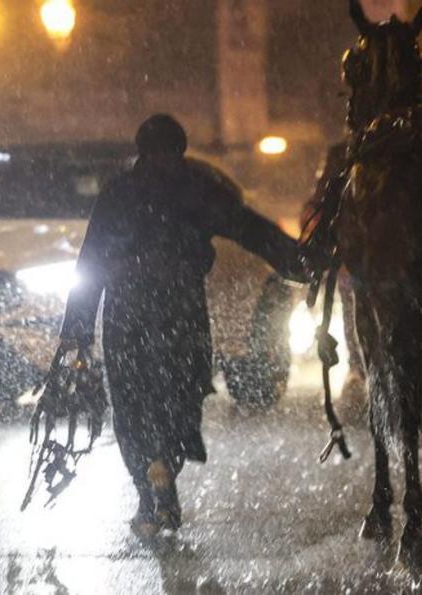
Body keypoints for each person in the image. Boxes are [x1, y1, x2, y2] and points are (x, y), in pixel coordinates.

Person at [56, 114, 306, 539]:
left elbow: (90, 262)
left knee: (132, 404)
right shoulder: (196, 188)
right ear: (181, 148)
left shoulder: (118, 192)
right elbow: (247, 228)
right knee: (180, 397)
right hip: (181, 310)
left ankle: (147, 491)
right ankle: (165, 469)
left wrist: (77, 330)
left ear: (140, 149)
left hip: (127, 313)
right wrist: (300, 261)